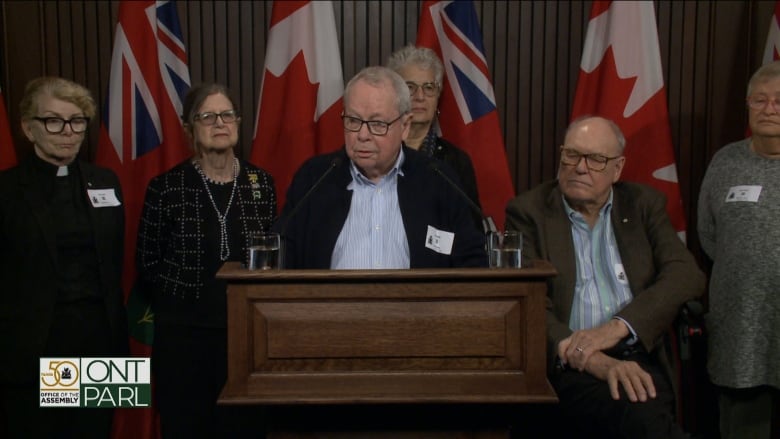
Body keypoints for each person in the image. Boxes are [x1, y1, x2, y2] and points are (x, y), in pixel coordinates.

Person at [505, 116, 705, 438]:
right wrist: (593, 358)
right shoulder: (529, 213)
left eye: (596, 159)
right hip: (566, 363)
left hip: (638, 352)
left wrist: (617, 328)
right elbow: (526, 305)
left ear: (618, 168)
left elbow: (685, 274)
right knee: (638, 412)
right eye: (571, 155)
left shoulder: (643, 205)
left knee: (640, 399)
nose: (580, 167)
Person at [136, 83, 276, 437]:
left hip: (246, 338)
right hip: (184, 340)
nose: (220, 123)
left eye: (227, 114)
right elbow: (147, 264)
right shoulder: (166, 187)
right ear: (190, 128)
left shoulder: (261, 184)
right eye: (208, 116)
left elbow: (275, 260)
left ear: (238, 123)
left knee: (245, 429)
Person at [0, 76, 127, 437]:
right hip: (33, 346)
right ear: (28, 128)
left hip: (99, 340)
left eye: (77, 121)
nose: (67, 131)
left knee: (95, 432)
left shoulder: (106, 181)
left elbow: (115, 263)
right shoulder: (6, 191)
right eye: (53, 121)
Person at [277, 66, 486, 269]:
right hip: (329, 305)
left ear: (405, 126)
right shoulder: (314, 178)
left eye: (377, 124)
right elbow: (281, 255)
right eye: (353, 120)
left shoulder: (439, 179)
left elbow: (472, 262)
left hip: (419, 305)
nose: (362, 135)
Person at [697, 61, 780, 439]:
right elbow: (708, 234)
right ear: (748, 105)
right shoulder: (725, 162)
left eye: (779, 100)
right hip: (741, 328)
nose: (769, 108)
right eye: (759, 100)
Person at [387, 44, 483, 230]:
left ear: (438, 95)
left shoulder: (456, 162)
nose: (420, 96)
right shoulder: (378, 155)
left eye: (429, 87)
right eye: (410, 87)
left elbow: (472, 231)